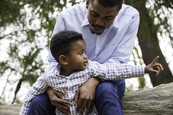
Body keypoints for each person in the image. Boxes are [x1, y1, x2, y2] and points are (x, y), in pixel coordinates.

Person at [26, 0, 152, 115]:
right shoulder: (66, 17)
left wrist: (93, 81)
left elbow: (119, 61)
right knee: (38, 102)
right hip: (66, 81)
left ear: (118, 12)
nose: (99, 22)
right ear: (87, 3)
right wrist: (49, 88)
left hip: (110, 76)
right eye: (94, 14)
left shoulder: (131, 16)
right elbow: (54, 61)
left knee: (105, 90)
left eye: (108, 18)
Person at [20, 30, 163, 115]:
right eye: (80, 53)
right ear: (64, 60)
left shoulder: (91, 68)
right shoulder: (49, 76)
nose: (85, 56)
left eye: (85, 52)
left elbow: (115, 70)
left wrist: (144, 69)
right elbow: (30, 96)